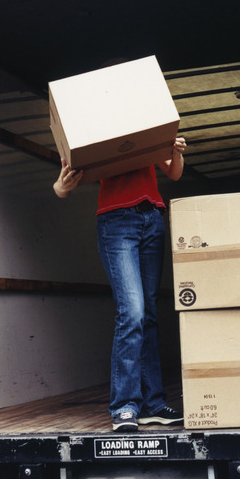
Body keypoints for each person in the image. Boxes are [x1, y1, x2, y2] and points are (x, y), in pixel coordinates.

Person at [53, 137, 187, 432]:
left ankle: (153, 403)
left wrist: (175, 152)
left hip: (152, 217)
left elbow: (174, 172)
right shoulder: (92, 131)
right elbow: (61, 188)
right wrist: (63, 185)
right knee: (133, 313)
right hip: (117, 222)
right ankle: (125, 406)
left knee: (149, 315)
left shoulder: (143, 128)